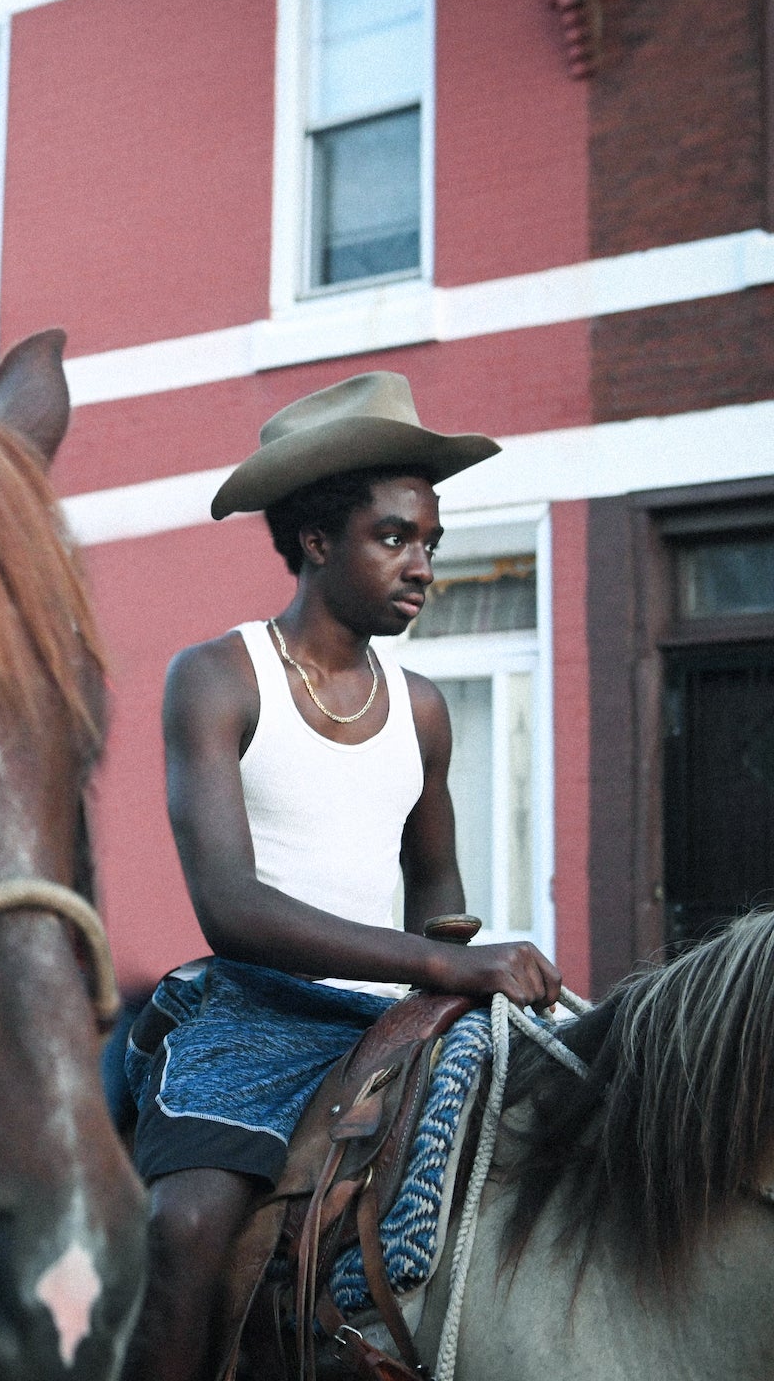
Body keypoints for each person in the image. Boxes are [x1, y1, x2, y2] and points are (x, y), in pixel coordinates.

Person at [119, 372, 562, 1381]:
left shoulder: (422, 709)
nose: (420, 567)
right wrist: (448, 964)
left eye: (429, 544)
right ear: (317, 540)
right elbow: (230, 910)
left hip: (394, 1031)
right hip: (252, 1015)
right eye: (393, 538)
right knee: (185, 1229)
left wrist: (455, 967)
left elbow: (437, 898)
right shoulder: (218, 676)